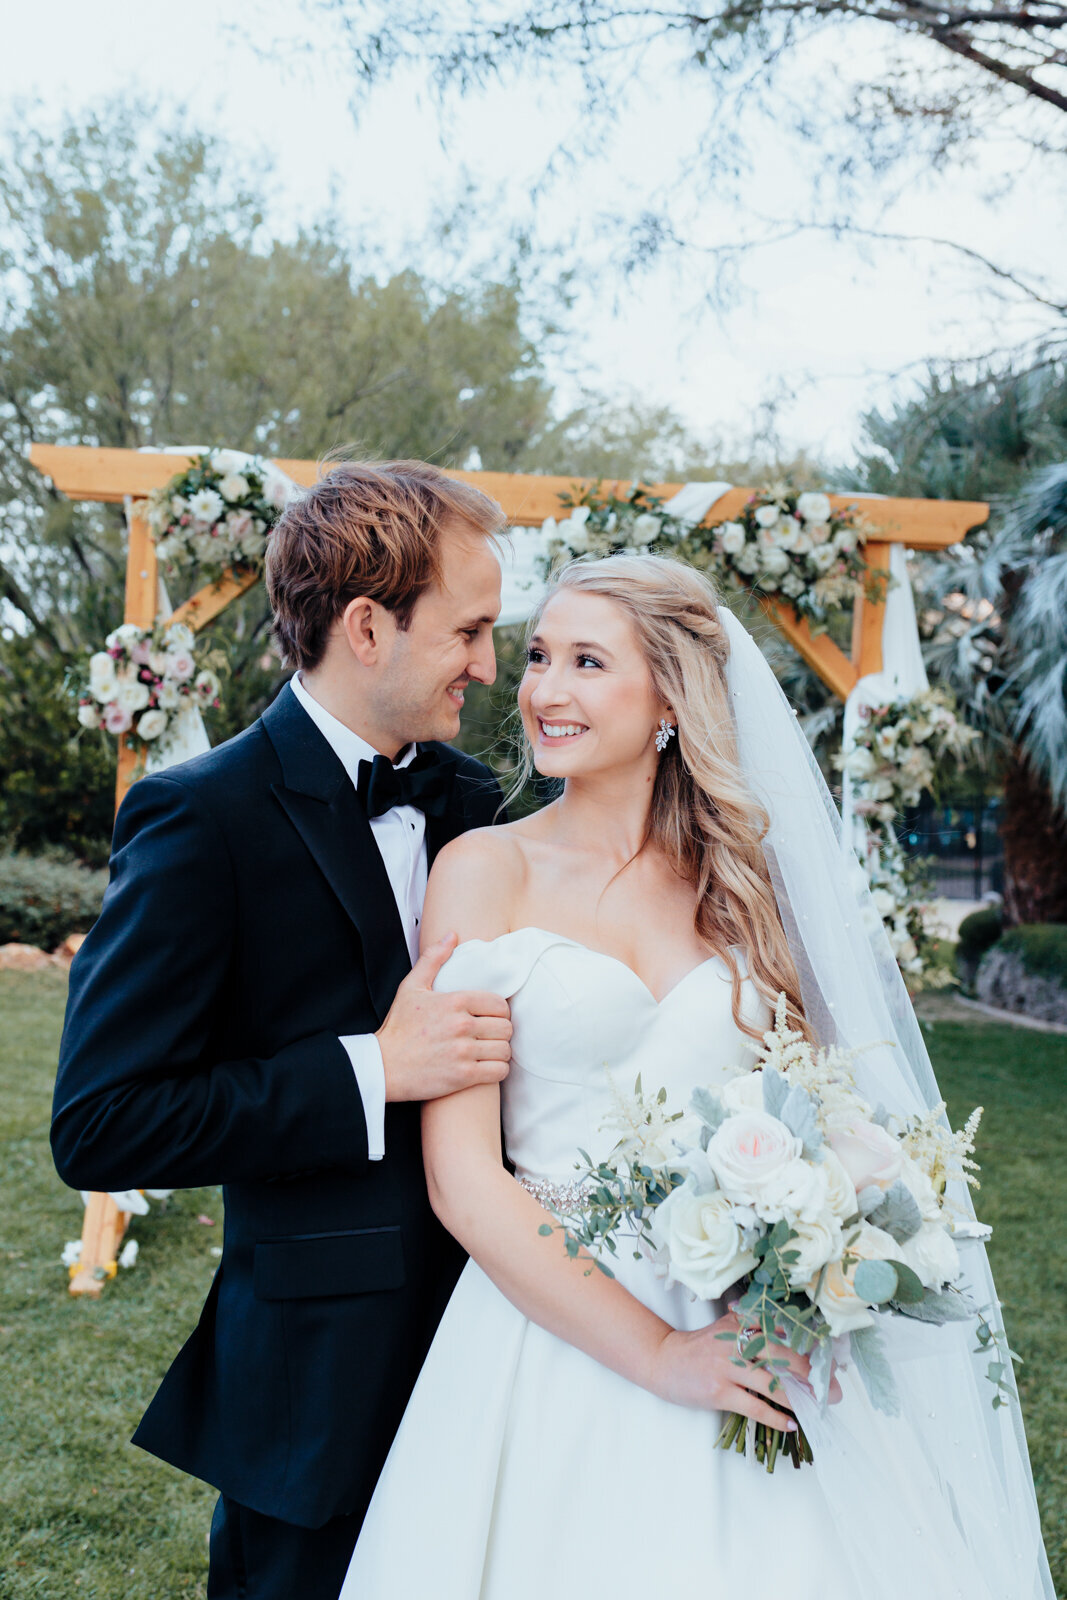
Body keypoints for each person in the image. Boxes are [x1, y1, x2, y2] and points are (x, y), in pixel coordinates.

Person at [341, 553, 1054, 1600]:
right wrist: (661, 1355)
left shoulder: (746, 887)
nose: (542, 688)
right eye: (538, 655)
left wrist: (815, 1246)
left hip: (748, 1319)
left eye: (587, 660)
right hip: (547, 1330)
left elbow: (828, 1106)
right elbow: (461, 1179)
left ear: (671, 694)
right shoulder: (485, 869)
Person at [51, 460, 517, 1600]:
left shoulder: (479, 805)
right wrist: (375, 1071)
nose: (490, 665)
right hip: (316, 1389)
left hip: (504, 1350)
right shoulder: (197, 816)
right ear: (367, 626)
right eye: (470, 631)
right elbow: (103, 1123)